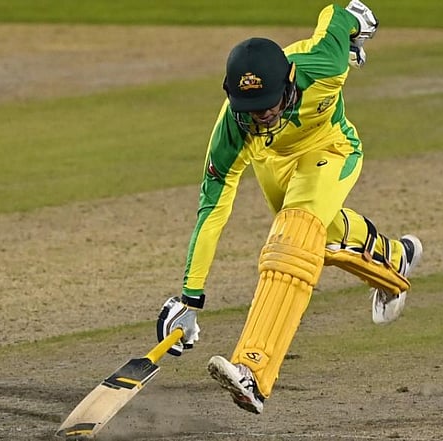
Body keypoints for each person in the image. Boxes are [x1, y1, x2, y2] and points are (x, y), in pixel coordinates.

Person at [155, 0, 423, 415]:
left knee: (291, 238)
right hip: (275, 166)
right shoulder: (233, 128)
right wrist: (190, 300)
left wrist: (355, 22)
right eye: (249, 109)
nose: (260, 117)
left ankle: (253, 370)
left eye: (267, 103)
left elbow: (336, 14)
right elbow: (212, 211)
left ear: (288, 84)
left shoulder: (323, 66)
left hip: (332, 148)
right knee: (317, 237)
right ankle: (394, 259)